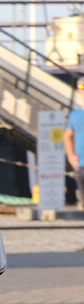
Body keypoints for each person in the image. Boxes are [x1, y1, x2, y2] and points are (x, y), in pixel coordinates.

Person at [66, 78, 84, 208]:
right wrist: (71, 155)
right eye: (81, 88)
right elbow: (68, 136)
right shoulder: (75, 114)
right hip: (81, 164)